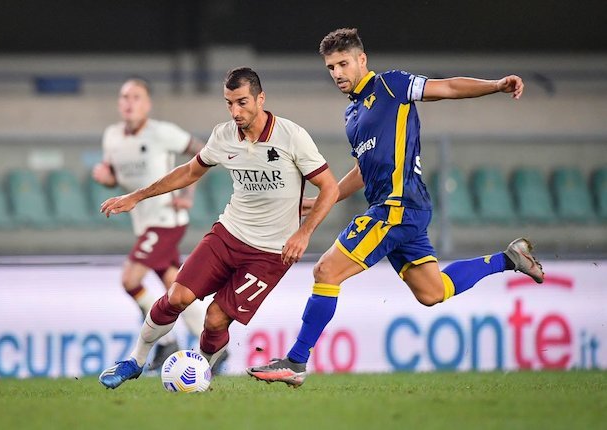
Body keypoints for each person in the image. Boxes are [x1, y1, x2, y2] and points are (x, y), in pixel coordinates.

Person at [246, 28, 545, 387]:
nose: (337, 73)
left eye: (343, 63)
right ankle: (509, 259)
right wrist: (324, 199)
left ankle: (295, 362)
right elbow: (362, 170)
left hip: (397, 205)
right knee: (432, 293)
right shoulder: (352, 116)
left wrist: (496, 85)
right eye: (330, 67)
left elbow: (446, 87)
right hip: (405, 210)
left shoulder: (392, 86)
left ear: (362, 60)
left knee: (326, 271)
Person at [98, 67, 340, 389]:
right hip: (228, 234)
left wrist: (303, 233)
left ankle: (200, 373)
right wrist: (138, 196)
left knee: (214, 318)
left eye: (242, 102)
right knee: (177, 296)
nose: (235, 112)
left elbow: (330, 188)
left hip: (269, 253)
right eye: (229, 103)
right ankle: (135, 360)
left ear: (260, 99)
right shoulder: (223, 135)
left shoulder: (291, 136)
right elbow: (188, 171)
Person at [92, 78, 210, 371]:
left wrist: (187, 192)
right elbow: (114, 176)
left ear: (147, 104)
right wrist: (106, 178)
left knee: (130, 279)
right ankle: (213, 344)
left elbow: (203, 153)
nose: (129, 102)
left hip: (167, 220)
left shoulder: (163, 133)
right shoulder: (112, 137)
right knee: (176, 288)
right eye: (124, 97)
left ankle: (167, 343)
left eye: (136, 97)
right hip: (145, 224)